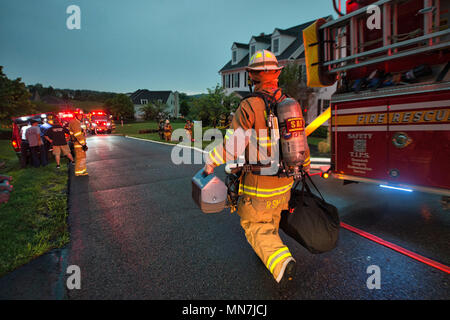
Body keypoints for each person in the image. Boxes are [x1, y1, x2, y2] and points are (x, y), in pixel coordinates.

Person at [203, 50, 310, 287]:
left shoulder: (249, 105)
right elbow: (301, 141)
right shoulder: (290, 104)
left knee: (255, 225)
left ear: (252, 76)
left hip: (259, 185)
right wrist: (305, 166)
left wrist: (211, 160)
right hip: (286, 183)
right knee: (271, 218)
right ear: (277, 74)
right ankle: (269, 253)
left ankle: (280, 261)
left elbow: (233, 145)